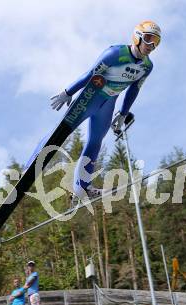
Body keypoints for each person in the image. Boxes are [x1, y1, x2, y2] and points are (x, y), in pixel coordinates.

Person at [50, 21, 161, 199]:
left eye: (156, 41)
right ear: (137, 36)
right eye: (148, 39)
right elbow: (90, 74)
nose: (152, 45)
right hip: (92, 97)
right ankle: (36, 157)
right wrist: (67, 92)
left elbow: (134, 89)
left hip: (108, 103)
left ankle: (82, 187)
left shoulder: (147, 67)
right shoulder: (114, 53)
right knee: (62, 131)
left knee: (95, 142)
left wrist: (124, 113)